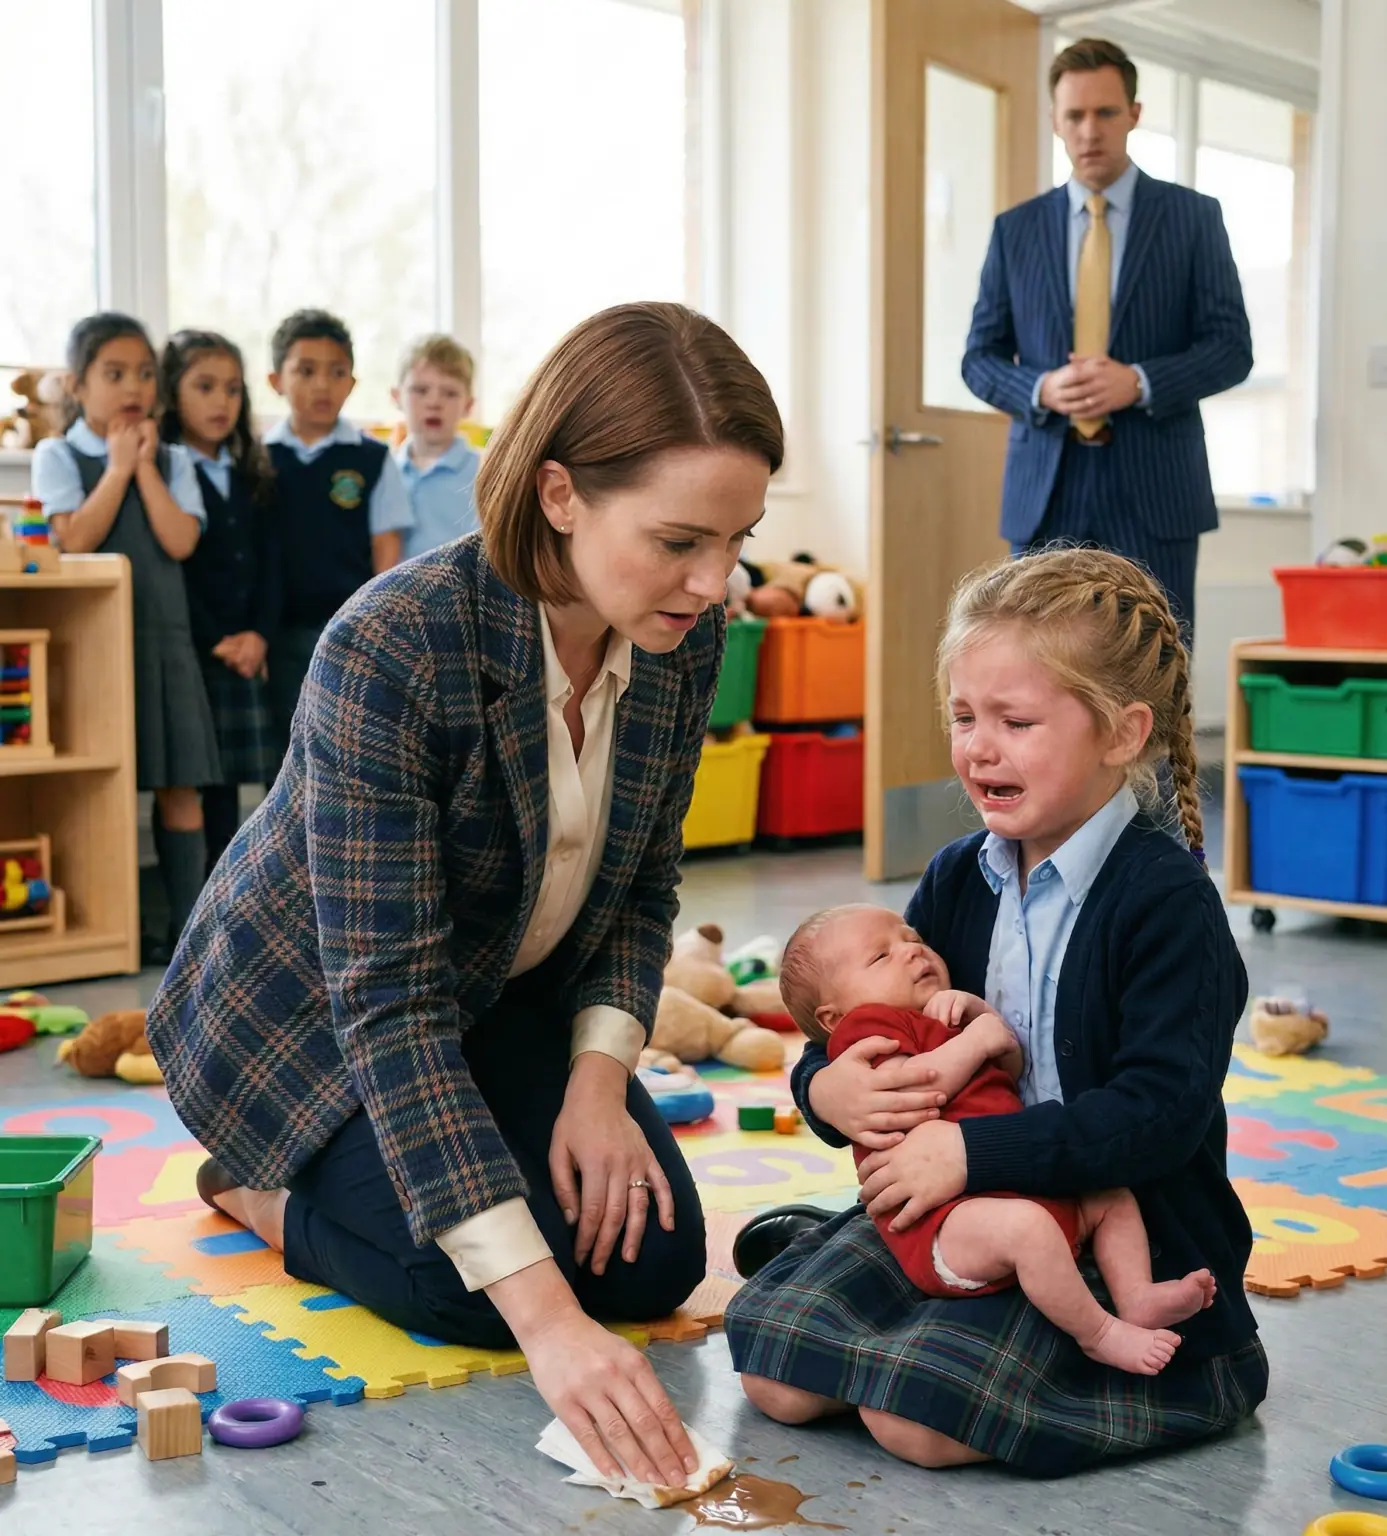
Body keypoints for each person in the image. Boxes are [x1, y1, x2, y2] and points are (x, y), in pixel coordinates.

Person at [146, 302, 784, 1487]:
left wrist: (599, 1082)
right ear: (558, 496)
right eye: (680, 540)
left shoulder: (680, 634)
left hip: (497, 991)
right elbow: (385, 1006)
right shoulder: (389, 647)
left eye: (736, 539)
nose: (713, 581)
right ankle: (256, 1188)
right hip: (311, 1030)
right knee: (483, 1287)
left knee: (649, 1258)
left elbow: (643, 881)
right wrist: (549, 1329)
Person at [725, 548, 1267, 1476]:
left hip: (1115, 1224)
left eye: (1015, 721)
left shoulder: (1164, 901)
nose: (979, 747)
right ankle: (894, 1322)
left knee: (920, 1427)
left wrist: (973, 1152)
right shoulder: (955, 877)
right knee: (772, 1368)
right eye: (963, 717)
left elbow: (1159, 1116)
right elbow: (861, 1023)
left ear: (1122, 733)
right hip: (964, 1207)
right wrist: (826, 1091)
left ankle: (1187, 1375)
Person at [779, 903, 1216, 1376]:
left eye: (914, 939)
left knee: (1111, 1197)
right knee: (1026, 1231)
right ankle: (1100, 1333)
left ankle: (1137, 1297)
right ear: (833, 1017)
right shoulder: (867, 1028)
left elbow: (1006, 1073)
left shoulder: (935, 1015)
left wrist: (980, 1016)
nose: (911, 951)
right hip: (943, 1222)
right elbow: (918, 1086)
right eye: (882, 957)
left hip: (1014, 1182)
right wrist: (977, 1038)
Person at [961, 38, 1253, 641]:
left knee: (1158, 664)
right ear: (1055, 121)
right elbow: (979, 359)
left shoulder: (1194, 219)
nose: (1089, 130)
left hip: (1156, 486)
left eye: (1105, 113)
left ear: (1135, 114)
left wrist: (1139, 382)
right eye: (1074, 116)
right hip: (1047, 488)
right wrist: (1041, 386)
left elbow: (1231, 347)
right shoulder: (1015, 231)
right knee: (1038, 667)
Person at [31, 312, 221, 967]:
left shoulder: (172, 459)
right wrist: (114, 469)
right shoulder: (59, 454)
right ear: (78, 386)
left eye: (144, 372)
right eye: (113, 373)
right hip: (93, 651)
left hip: (164, 646)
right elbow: (72, 538)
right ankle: (121, 925)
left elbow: (181, 541)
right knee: (106, 786)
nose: (132, 385)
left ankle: (189, 933)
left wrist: (143, 469)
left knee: (179, 786)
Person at [263, 308, 415, 755]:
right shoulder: (261, 459)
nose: (322, 385)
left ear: (352, 383)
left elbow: (387, 545)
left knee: (346, 741)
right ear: (276, 381)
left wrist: (370, 622)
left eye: (337, 373)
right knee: (285, 750)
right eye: (305, 371)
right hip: (280, 630)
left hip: (347, 626)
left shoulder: (370, 457)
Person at [159, 329, 282, 874]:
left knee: (235, 780)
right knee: (196, 776)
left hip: (245, 647)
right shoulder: (165, 475)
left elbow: (271, 566)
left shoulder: (250, 474)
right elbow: (177, 573)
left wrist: (258, 634)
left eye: (232, 389)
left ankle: (235, 898)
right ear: (172, 393)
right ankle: (195, 903)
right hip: (199, 648)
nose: (220, 402)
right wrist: (217, 640)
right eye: (204, 386)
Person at [392, 333, 483, 559]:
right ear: (396, 397)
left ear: (468, 405)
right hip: (393, 591)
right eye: (421, 390)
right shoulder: (385, 470)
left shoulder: (484, 472)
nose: (434, 403)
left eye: (450, 393)